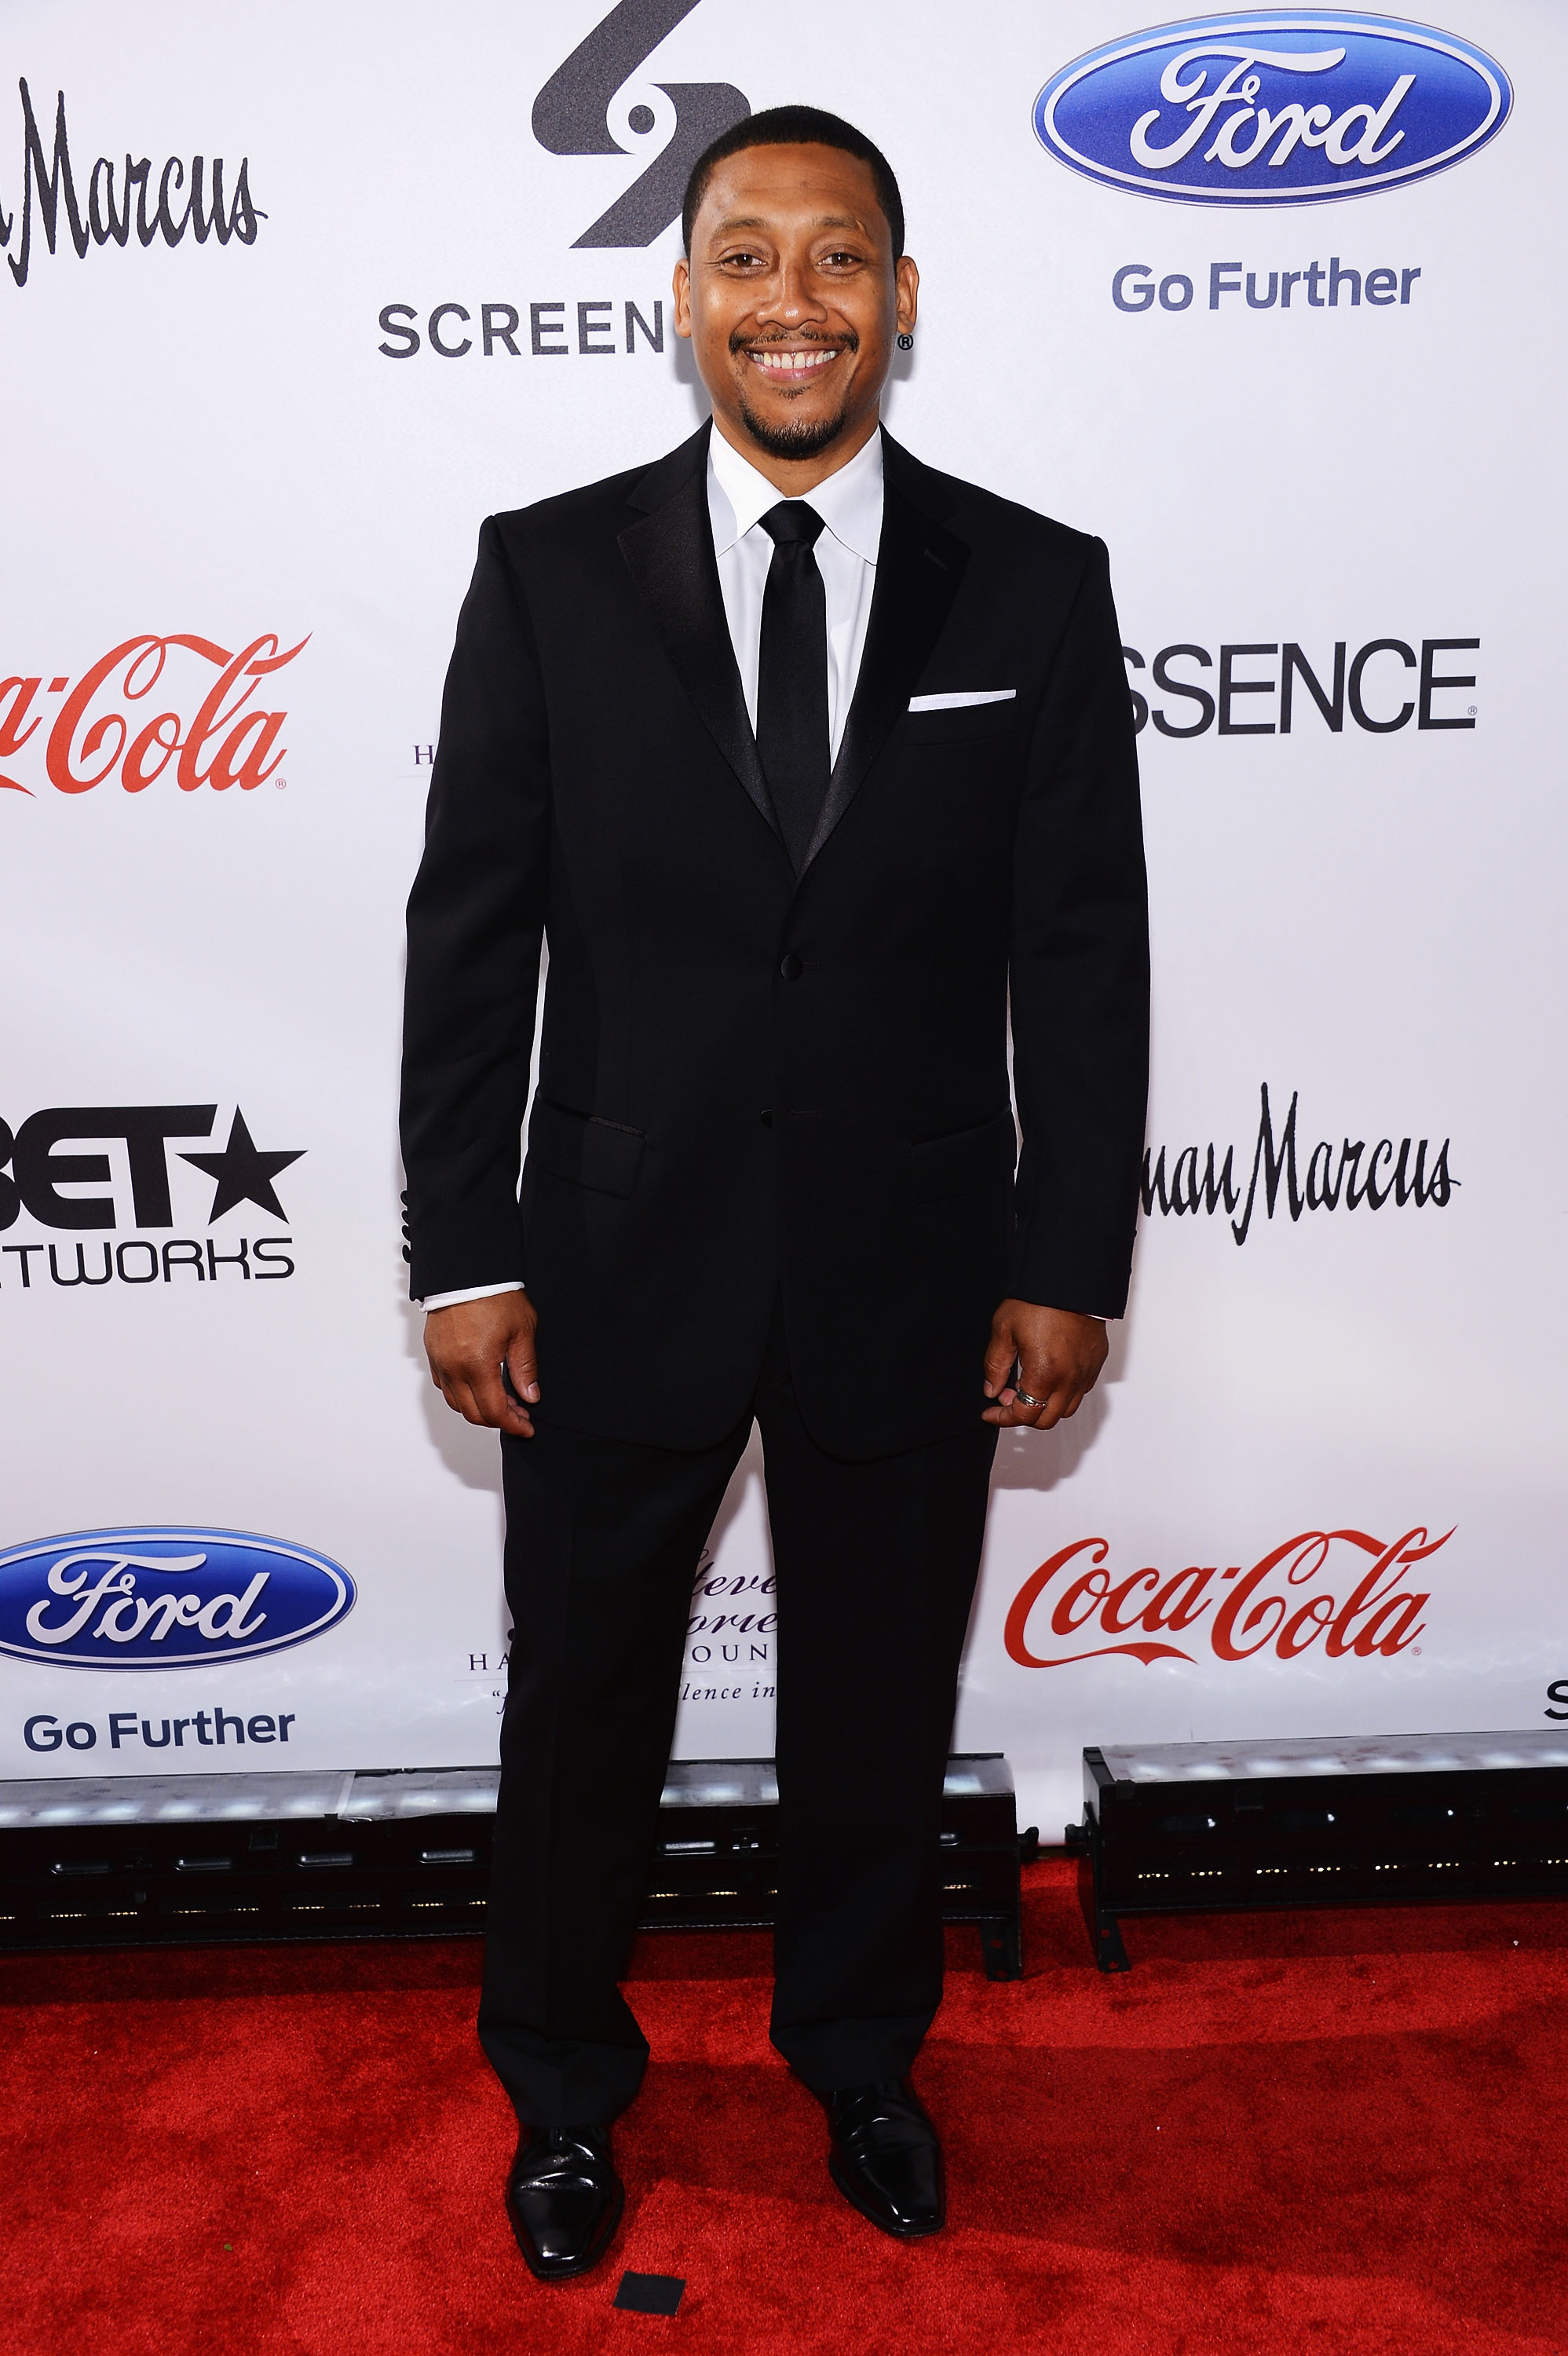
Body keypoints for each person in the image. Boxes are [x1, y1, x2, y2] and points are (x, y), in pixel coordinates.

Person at [400, 103, 1148, 2283]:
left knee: (878, 1704)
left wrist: (1068, 1256)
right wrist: (468, 1251)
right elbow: (474, 935)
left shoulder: (1037, 581)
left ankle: (863, 2057)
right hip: (613, 1254)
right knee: (582, 1708)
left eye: (838, 258)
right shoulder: (545, 569)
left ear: (902, 299)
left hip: (913, 1252)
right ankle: (560, 2087)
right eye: (746, 255)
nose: (792, 300)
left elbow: (1078, 953)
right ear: (684, 297)